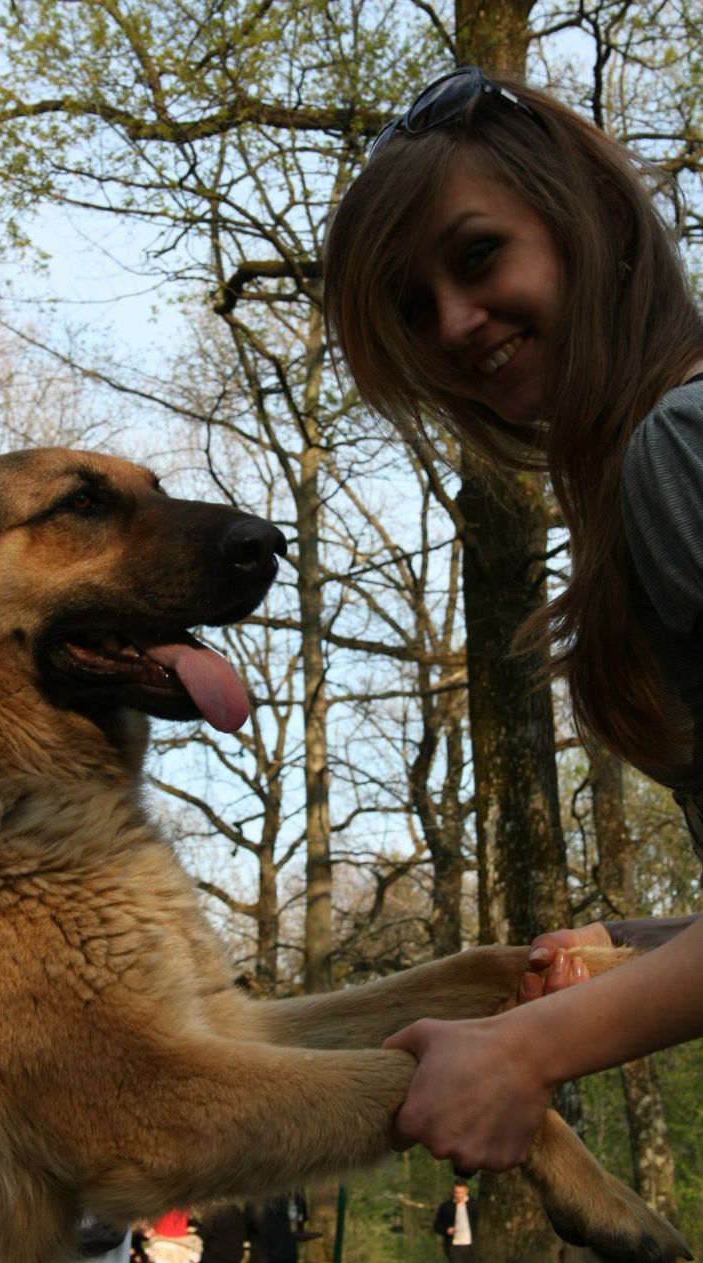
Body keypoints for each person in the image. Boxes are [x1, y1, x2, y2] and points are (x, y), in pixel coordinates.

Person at [323, 64, 703, 1173]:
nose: (450, 321)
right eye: (409, 305)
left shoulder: (681, 447)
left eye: (479, 253)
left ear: (587, 217)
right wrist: (653, 955)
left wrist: (528, 1050)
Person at [433, 1180, 478, 1263]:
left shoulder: (475, 1205)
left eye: (461, 1192)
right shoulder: (446, 1207)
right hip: (454, 1246)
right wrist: (446, 1230)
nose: (459, 1195)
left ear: (466, 1191)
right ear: (453, 1192)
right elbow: (437, 1225)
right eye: (457, 1192)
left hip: (471, 1245)